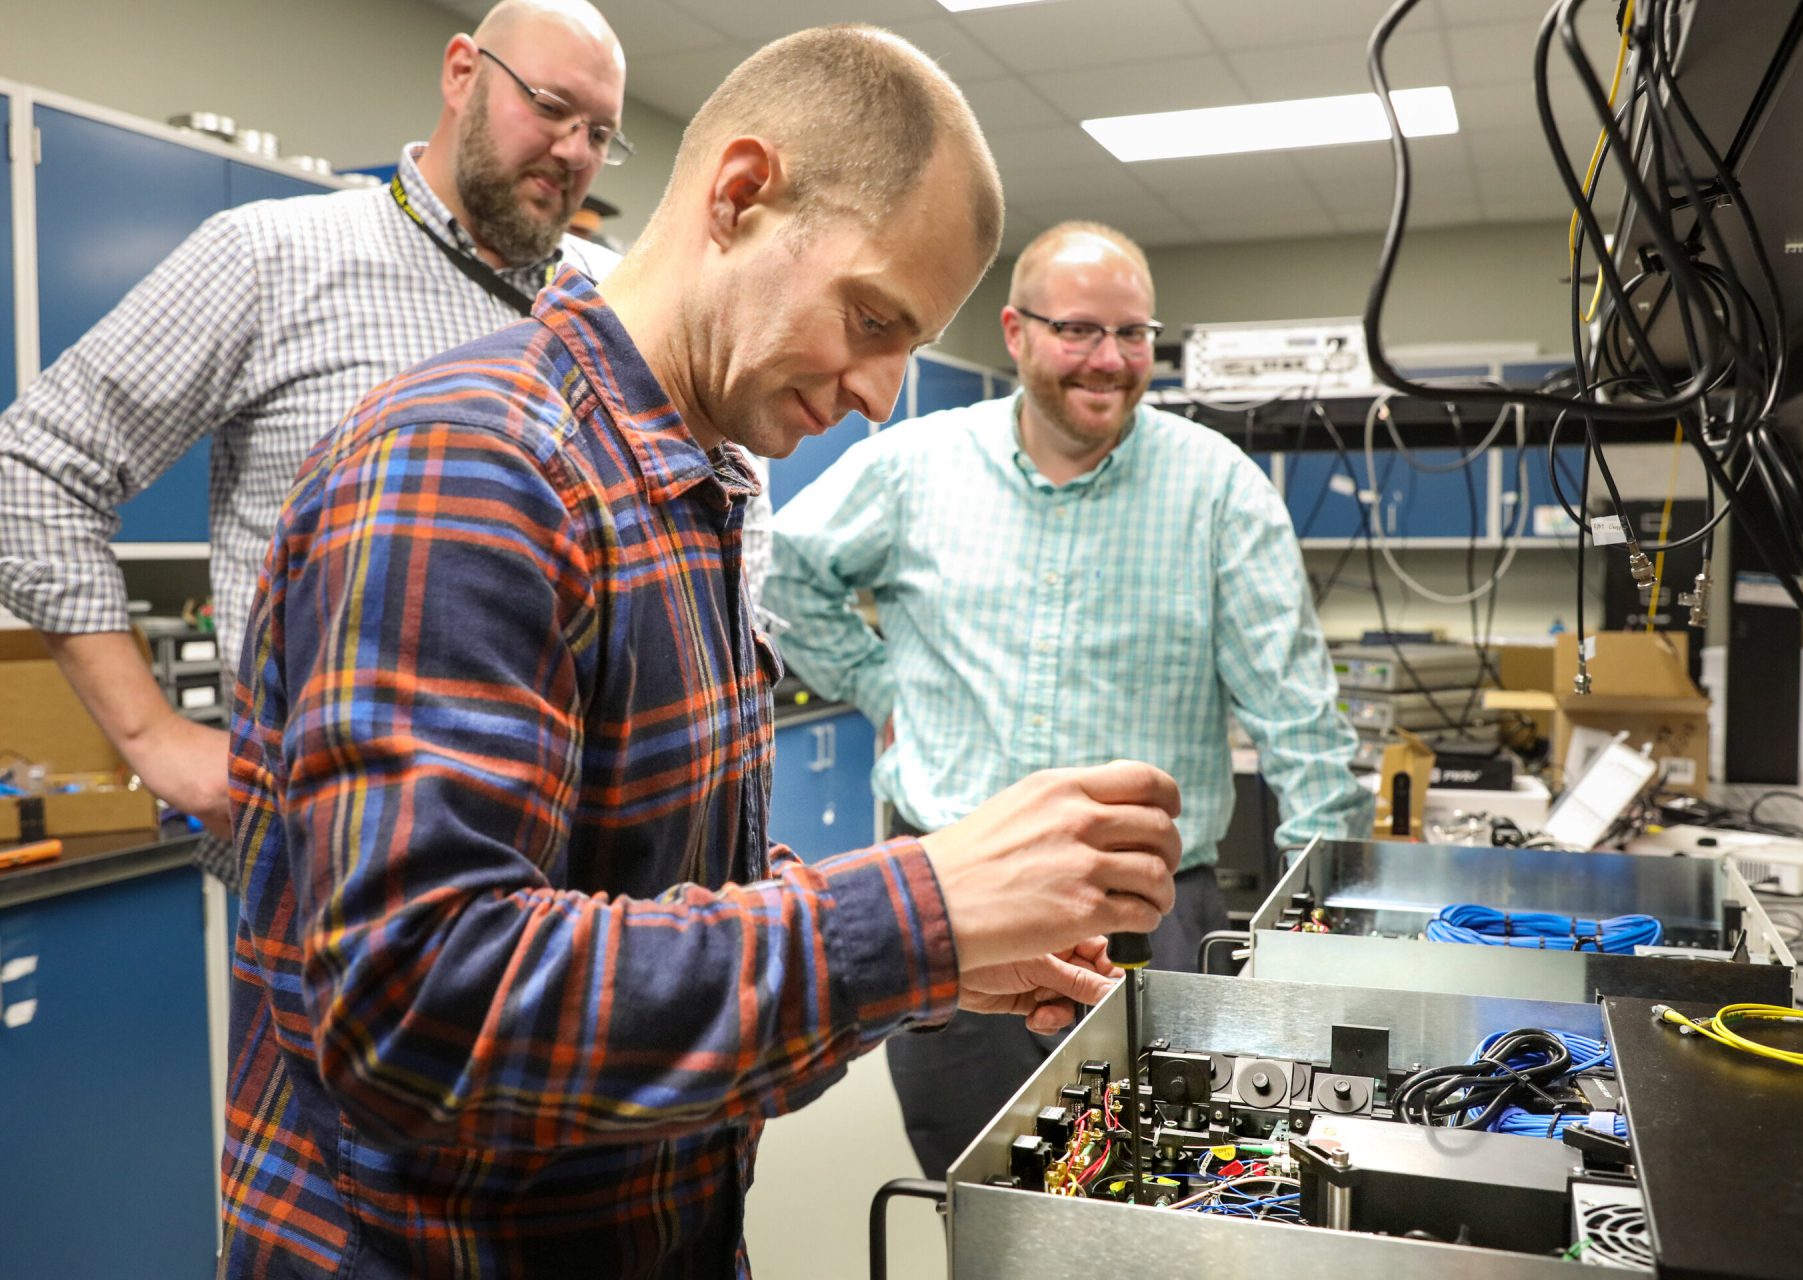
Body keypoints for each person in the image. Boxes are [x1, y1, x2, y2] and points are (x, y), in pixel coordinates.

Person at [221, 27, 1183, 1279]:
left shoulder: (687, 482)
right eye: (873, 317)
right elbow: (423, 1012)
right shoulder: (476, 462)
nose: (886, 392)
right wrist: (915, 908)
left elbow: (644, 882)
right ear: (739, 196)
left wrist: (937, 955)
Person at [764, 220, 1373, 1177]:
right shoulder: (914, 466)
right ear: (1015, 332)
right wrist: (881, 682)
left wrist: (1325, 929)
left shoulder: (1216, 487)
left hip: (1148, 913)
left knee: (1166, 1185)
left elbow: (1298, 716)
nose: (1111, 360)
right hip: (950, 901)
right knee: (973, 1186)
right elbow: (783, 576)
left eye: (1135, 336)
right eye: (1080, 330)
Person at [0, 0, 627, 883]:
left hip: (577, 877)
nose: (574, 151)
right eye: (551, 106)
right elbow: (32, 472)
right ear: (461, 72)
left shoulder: (618, 305)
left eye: (600, 133)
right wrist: (156, 738)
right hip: (327, 875)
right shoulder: (271, 259)